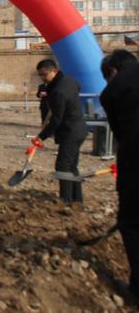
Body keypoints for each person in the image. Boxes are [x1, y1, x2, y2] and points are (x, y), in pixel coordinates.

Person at [100, 49, 139, 301]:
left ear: (112, 71)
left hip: (135, 164)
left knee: (132, 224)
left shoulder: (113, 91)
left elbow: (121, 134)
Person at [32, 59, 87, 204]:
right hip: (79, 129)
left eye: (44, 74)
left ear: (54, 71)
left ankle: (66, 201)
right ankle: (77, 199)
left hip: (70, 132)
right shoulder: (68, 80)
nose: (43, 78)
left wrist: (42, 136)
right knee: (71, 166)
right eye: (40, 75)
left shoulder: (59, 92)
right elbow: (78, 87)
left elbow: (56, 120)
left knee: (62, 167)